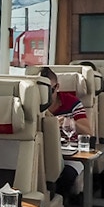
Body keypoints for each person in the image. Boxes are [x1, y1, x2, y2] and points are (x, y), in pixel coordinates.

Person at [40, 68, 91, 196]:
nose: (44, 97)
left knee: (66, 175)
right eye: (40, 92)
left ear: (57, 87)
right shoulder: (32, 105)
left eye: (49, 91)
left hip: (69, 156)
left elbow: (88, 132)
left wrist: (71, 123)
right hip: (42, 154)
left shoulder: (71, 102)